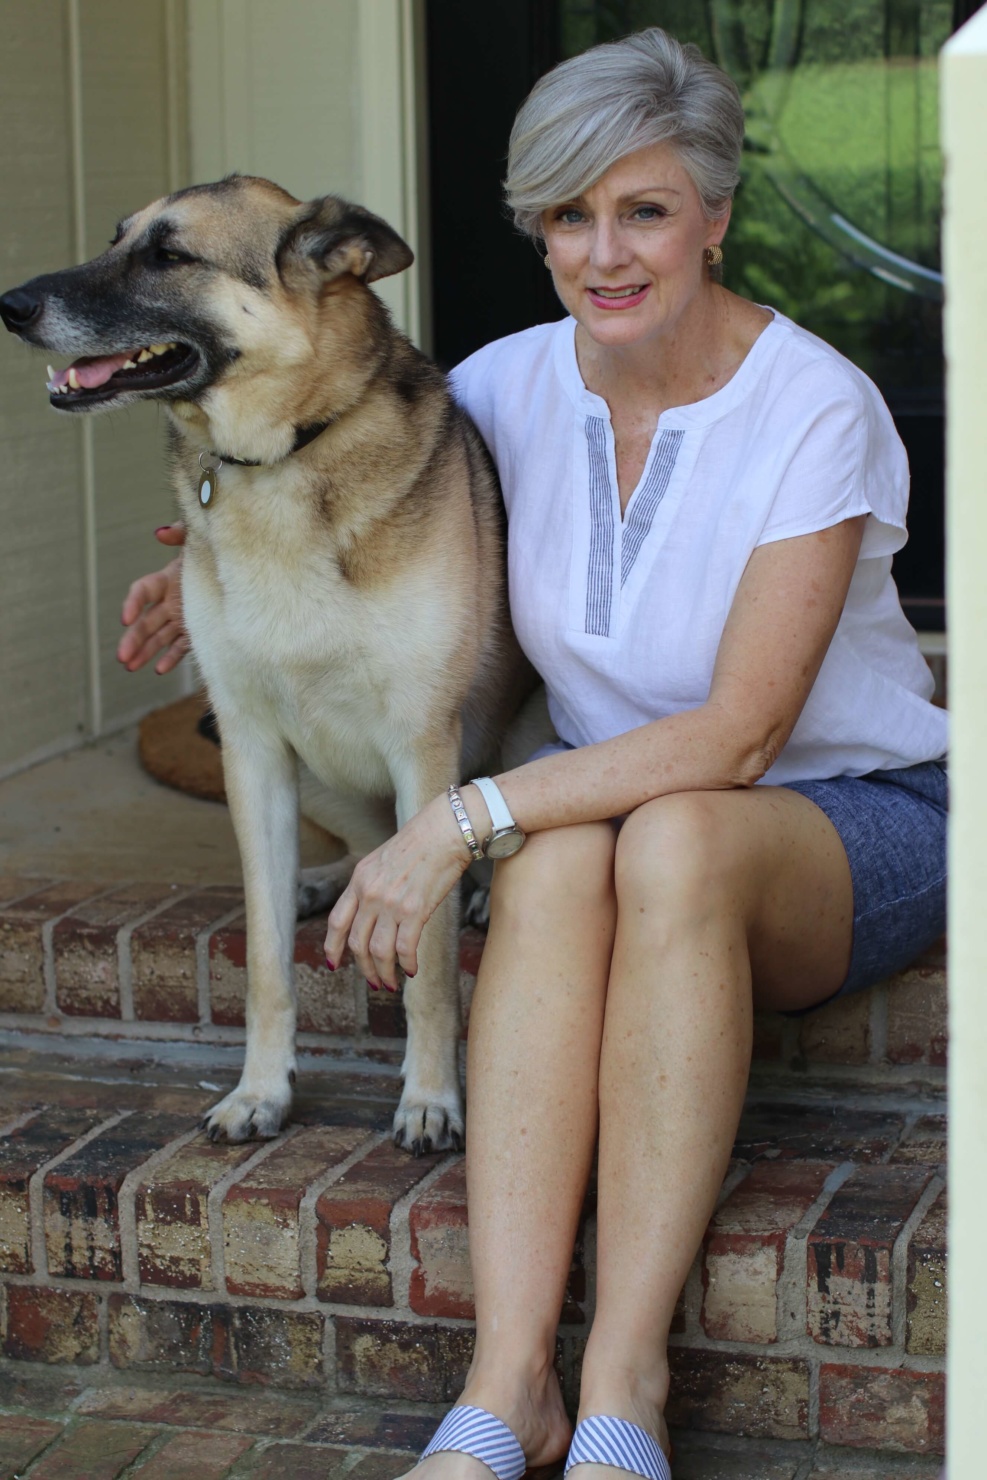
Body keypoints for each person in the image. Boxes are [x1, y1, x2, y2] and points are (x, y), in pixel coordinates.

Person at [119, 29, 948, 1480]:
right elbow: (352, 471)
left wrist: (455, 820)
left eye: (643, 209)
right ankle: (509, 1389)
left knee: (657, 831)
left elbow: (741, 734)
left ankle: (627, 1380)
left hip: (839, 816)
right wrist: (200, 566)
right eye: (569, 216)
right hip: (605, 818)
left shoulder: (815, 406)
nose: (603, 253)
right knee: (569, 859)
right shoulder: (502, 386)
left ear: (716, 214)